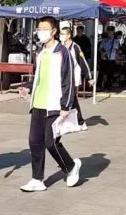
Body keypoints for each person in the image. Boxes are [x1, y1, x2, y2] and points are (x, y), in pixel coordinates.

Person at [18, 16, 82, 192]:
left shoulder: (62, 52)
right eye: (39, 29)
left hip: (55, 105)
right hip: (38, 104)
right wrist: (28, 87)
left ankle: (71, 166)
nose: (41, 32)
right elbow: (38, 76)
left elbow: (68, 80)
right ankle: (37, 179)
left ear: (54, 31)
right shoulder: (39, 52)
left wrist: (65, 106)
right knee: (34, 142)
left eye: (45, 29)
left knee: (50, 142)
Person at [60, 24, 91, 130]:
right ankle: (72, 120)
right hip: (62, 76)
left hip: (73, 76)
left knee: (72, 98)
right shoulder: (60, 46)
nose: (61, 36)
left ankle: (80, 121)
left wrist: (89, 77)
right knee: (68, 98)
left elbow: (83, 62)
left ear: (69, 35)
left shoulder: (75, 47)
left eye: (63, 34)